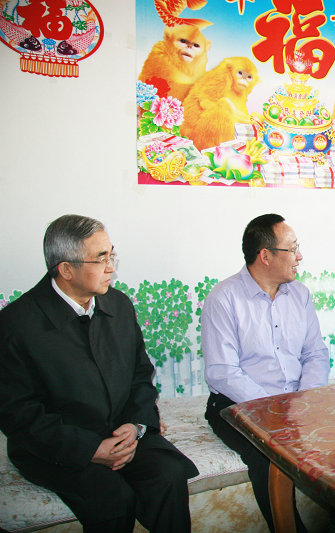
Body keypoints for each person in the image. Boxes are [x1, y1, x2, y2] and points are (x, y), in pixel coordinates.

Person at [0, 214, 198, 533]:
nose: (111, 268)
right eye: (101, 258)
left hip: (120, 431)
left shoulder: (118, 305)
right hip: (57, 444)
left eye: (111, 255)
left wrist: (135, 425)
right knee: (112, 500)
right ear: (66, 269)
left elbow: (140, 374)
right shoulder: (16, 324)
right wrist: (90, 449)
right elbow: (17, 413)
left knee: (167, 475)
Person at [202, 213, 330, 532]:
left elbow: (315, 353)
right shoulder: (223, 298)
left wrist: (305, 400)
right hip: (238, 405)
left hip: (295, 401)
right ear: (265, 256)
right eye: (293, 248)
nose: (300, 256)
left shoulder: (299, 294)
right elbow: (222, 372)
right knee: (269, 458)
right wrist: (275, 409)